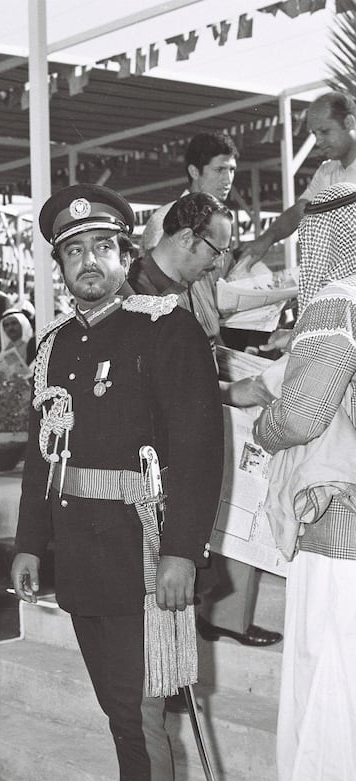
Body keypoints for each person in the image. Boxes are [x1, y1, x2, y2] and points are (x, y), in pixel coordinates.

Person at [11, 183, 224, 781]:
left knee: (140, 721)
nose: (89, 261)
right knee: (119, 716)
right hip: (81, 558)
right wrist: (30, 542)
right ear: (59, 267)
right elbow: (41, 457)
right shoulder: (50, 346)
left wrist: (185, 551)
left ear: (126, 257)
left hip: (145, 556)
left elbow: (198, 451)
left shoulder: (166, 328)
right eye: (74, 251)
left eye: (103, 247)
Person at [132, 195, 283, 649]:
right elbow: (151, 388)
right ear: (184, 238)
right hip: (148, 470)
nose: (218, 265)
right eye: (215, 252)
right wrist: (227, 393)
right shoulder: (136, 293)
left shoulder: (176, 289)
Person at [253, 182, 356, 781]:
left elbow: (303, 411)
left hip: (340, 532)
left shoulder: (338, 300)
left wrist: (266, 433)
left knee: (329, 694)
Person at [237, 92, 356, 272]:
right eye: (315, 133)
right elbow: (300, 211)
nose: (318, 141)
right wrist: (266, 240)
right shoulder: (326, 171)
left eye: (324, 131)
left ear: (349, 123)